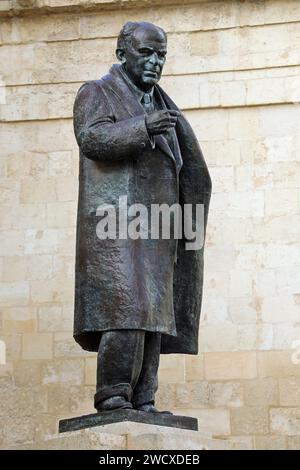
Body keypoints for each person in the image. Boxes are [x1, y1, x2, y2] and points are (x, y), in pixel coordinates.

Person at [73, 21, 212, 413]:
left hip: (160, 227)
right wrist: (144, 127)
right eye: (146, 53)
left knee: (156, 316)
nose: (155, 62)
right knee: (127, 310)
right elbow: (92, 138)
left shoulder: (163, 103)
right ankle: (113, 394)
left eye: (161, 55)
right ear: (122, 54)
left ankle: (144, 397)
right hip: (117, 227)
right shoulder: (96, 92)